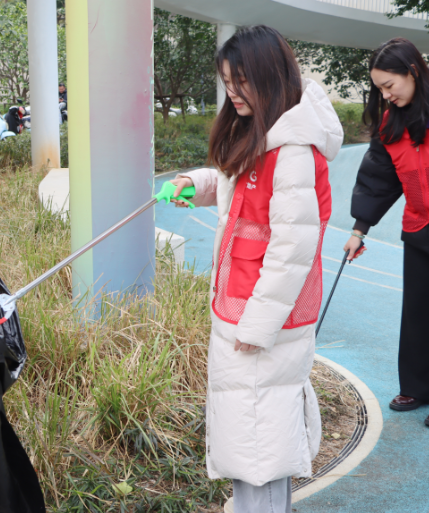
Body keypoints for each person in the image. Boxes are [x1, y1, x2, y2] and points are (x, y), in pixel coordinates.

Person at [165, 25, 339, 513]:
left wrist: (259, 324)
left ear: (269, 76)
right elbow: (236, 184)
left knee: (257, 445)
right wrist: (195, 183)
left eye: (241, 80)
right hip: (243, 310)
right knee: (255, 440)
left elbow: (292, 248)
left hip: (262, 320)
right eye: (227, 82)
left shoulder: (294, 149)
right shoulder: (264, 133)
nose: (233, 93)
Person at [343, 37, 429, 425]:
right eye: (379, 89)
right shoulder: (390, 124)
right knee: (417, 313)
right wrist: (358, 231)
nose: (386, 95)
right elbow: (378, 178)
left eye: (389, 85)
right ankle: (416, 386)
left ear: (412, 72)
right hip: (419, 227)